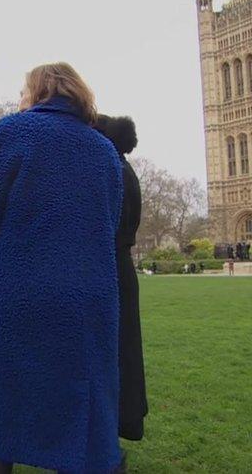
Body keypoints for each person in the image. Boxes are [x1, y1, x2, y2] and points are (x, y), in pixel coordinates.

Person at [0, 62, 124, 473]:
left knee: (3, 403)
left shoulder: (13, 131)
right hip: (87, 298)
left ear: (38, 91)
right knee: (76, 405)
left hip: (19, 292)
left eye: (23, 89)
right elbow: (110, 222)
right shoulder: (105, 151)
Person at [95, 114, 148, 445]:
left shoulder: (110, 170)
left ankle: (106, 429)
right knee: (122, 352)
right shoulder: (124, 169)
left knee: (111, 354)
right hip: (121, 269)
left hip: (108, 269)